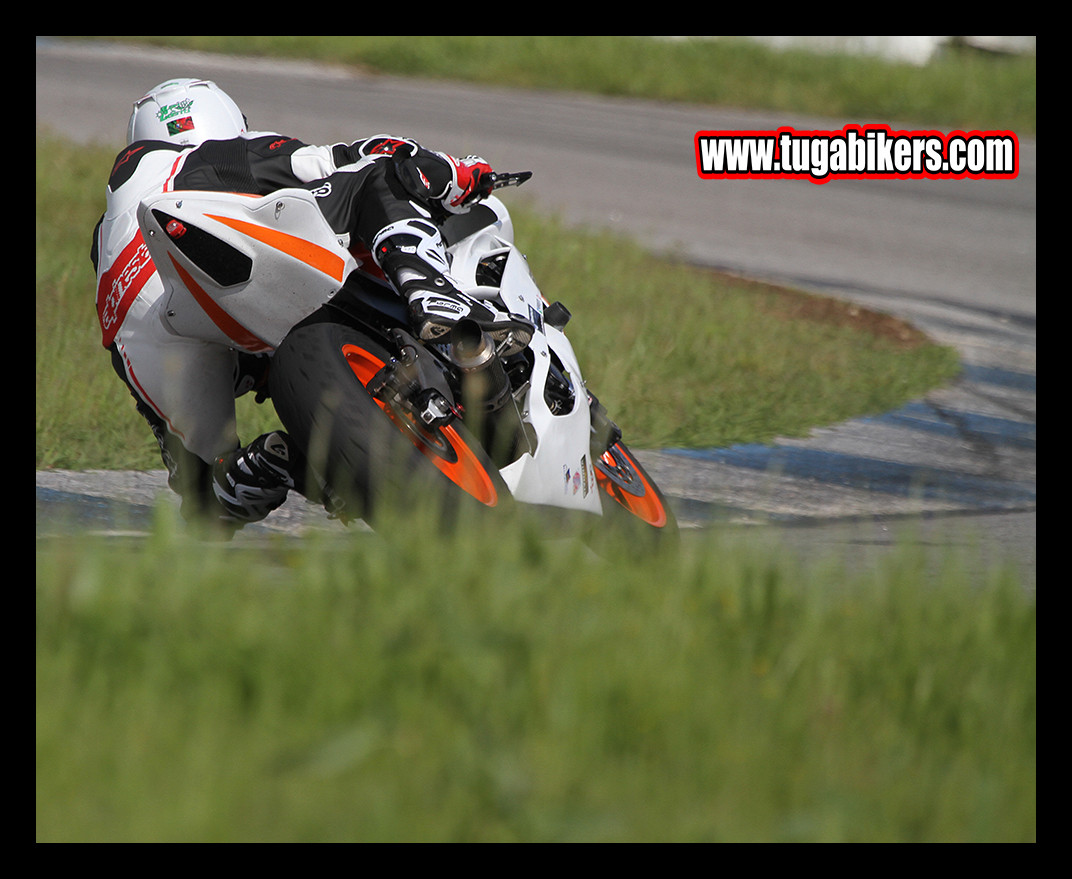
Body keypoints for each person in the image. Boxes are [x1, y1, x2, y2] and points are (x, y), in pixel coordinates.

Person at [91, 77, 532, 532]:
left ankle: (278, 471)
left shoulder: (105, 234)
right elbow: (347, 156)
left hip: (141, 325)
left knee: (205, 493)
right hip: (202, 260)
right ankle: (431, 293)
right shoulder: (213, 156)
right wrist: (453, 172)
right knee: (377, 174)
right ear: (223, 120)